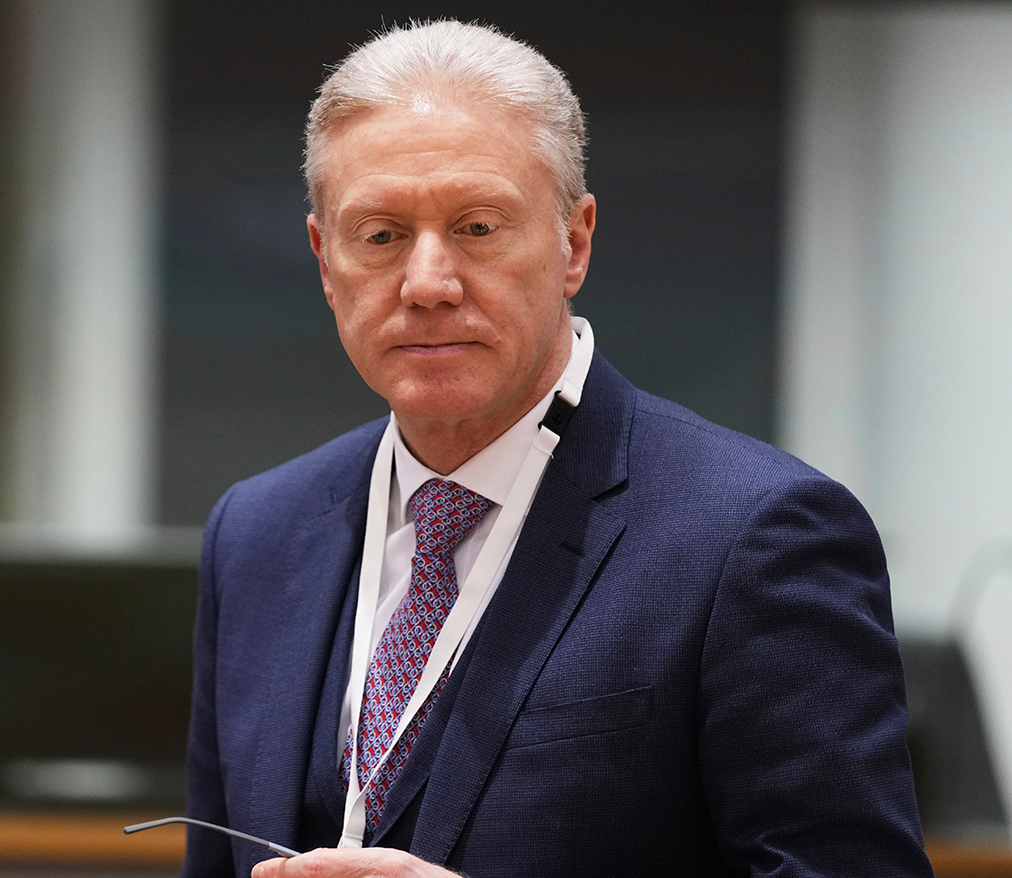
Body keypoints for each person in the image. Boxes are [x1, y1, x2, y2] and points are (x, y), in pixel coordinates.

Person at [181, 19, 932, 878]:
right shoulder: (256, 534)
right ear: (325, 260)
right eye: (380, 235)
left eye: (478, 226)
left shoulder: (754, 537)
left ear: (574, 242)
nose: (427, 284)